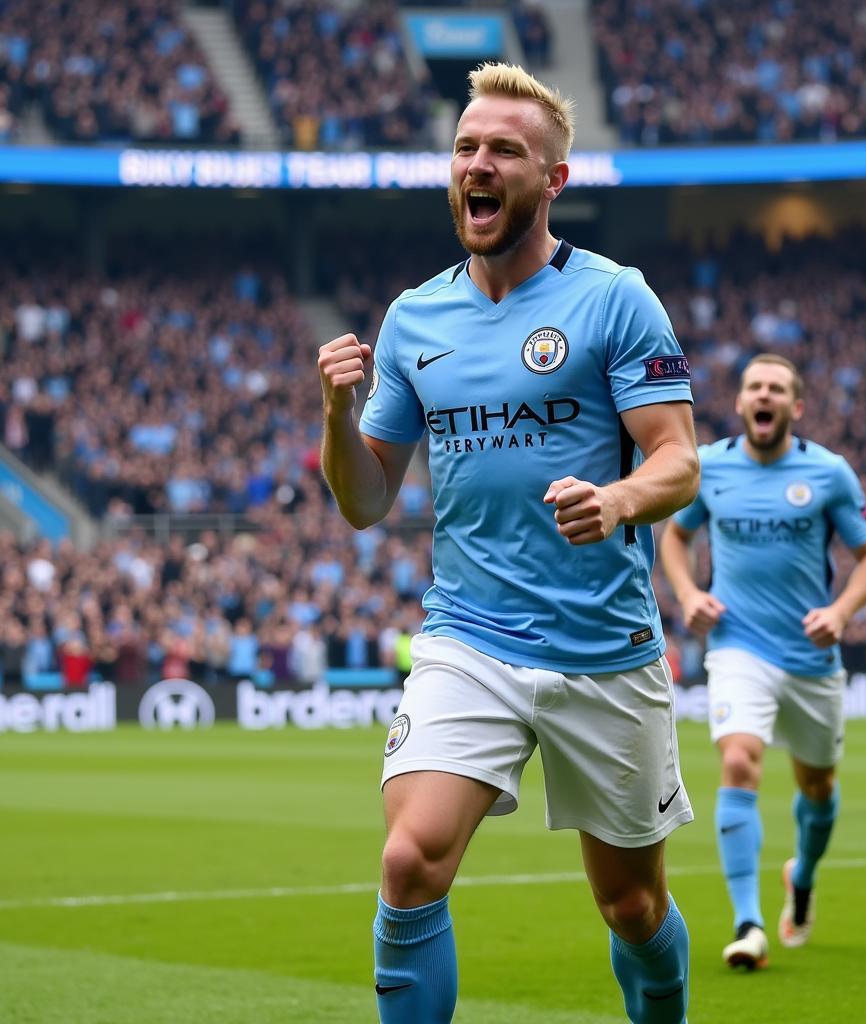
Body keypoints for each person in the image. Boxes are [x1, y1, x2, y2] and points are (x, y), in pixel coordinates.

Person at [318, 63, 700, 1023]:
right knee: (410, 861)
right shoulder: (416, 318)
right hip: (469, 637)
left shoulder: (617, 299)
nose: (476, 165)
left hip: (602, 649)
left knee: (632, 906)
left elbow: (678, 463)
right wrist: (338, 412)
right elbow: (365, 500)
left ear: (554, 180)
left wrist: (617, 501)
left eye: (503, 151)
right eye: (464, 148)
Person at [660, 354, 866, 970]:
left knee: (818, 787)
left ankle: (803, 876)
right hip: (738, 646)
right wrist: (686, 595)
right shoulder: (711, 467)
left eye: (778, 388)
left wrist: (840, 613)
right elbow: (675, 537)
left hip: (812, 654)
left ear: (796, 406)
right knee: (738, 760)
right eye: (755, 386)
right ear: (740, 402)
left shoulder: (828, 473)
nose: (765, 395)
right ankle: (749, 924)